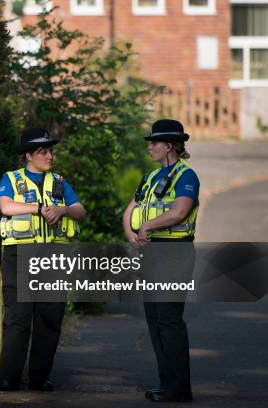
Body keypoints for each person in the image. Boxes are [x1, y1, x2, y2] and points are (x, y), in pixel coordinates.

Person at [0, 127, 86, 391]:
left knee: (50, 318)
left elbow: (80, 211)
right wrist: (38, 209)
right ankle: (9, 377)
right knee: (18, 317)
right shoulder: (11, 179)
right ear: (28, 155)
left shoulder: (59, 181)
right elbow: (6, 206)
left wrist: (63, 209)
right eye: (43, 151)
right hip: (20, 255)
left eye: (50, 150)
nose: (50, 156)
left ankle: (39, 378)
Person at [122, 119, 200, 403]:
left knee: (169, 321)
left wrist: (147, 226)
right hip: (151, 254)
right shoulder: (151, 177)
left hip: (174, 254)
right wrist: (131, 232)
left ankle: (179, 388)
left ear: (169, 145)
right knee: (155, 321)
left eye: (154, 142)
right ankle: (167, 385)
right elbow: (130, 208)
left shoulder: (186, 176)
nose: (150, 147)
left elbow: (180, 212)